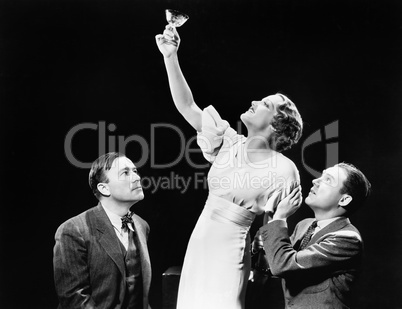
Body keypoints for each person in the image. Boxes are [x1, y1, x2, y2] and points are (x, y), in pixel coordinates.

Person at [155, 26, 303, 309]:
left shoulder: (285, 172)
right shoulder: (229, 143)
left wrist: (259, 270)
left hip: (231, 251)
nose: (253, 102)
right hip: (200, 243)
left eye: (264, 104)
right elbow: (187, 106)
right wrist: (170, 56)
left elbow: (272, 228)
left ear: (276, 124)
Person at [255, 163, 371, 308]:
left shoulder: (347, 239)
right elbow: (273, 263)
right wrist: (259, 247)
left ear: (344, 199)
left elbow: (282, 265)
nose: (315, 181)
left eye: (328, 180)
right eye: (321, 176)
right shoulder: (304, 225)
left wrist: (280, 218)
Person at [53, 152, 152, 309]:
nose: (136, 177)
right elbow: (74, 299)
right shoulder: (73, 230)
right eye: (125, 173)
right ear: (104, 188)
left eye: (135, 171)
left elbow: (139, 295)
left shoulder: (141, 225)